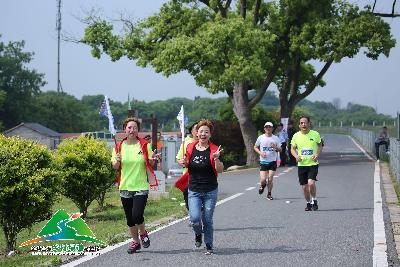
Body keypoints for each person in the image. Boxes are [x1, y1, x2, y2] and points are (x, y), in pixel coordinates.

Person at [111, 117, 159, 254]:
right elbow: (115, 166)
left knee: (137, 215)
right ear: (125, 129)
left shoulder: (144, 145)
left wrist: (152, 159)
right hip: (125, 187)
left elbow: (151, 161)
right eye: (129, 127)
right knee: (130, 219)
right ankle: (135, 242)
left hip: (140, 186)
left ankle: (143, 233)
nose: (132, 130)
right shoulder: (118, 146)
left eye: (135, 128)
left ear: (138, 130)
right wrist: (117, 161)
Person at [177, 119, 223, 255]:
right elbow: (186, 163)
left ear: (210, 134)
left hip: (210, 190)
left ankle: (209, 245)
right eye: (201, 131)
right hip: (194, 190)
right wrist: (183, 162)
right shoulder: (190, 147)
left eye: (206, 132)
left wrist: (216, 159)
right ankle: (198, 234)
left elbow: (220, 170)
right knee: (195, 218)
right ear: (196, 133)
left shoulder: (215, 149)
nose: (203, 134)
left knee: (207, 220)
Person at [290, 116, 323, 211]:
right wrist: (296, 156)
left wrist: (317, 154)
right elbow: (292, 148)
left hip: (313, 163)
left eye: (305, 123)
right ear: (299, 125)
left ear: (309, 123)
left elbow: (320, 145)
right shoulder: (296, 136)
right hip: (302, 165)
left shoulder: (315, 134)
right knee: (304, 187)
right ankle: (308, 203)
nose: (303, 124)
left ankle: (314, 200)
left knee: (311, 183)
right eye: (301, 123)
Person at [254, 122, 282, 200]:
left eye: (270, 127)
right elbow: (255, 147)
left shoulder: (276, 138)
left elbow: (280, 150)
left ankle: (269, 194)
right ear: (264, 128)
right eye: (266, 127)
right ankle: (262, 185)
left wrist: (276, 147)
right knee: (263, 180)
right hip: (263, 161)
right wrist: (260, 153)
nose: (268, 128)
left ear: (272, 129)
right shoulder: (261, 137)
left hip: (272, 161)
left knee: (270, 178)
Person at [175, 121, 199, 210]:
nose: (198, 132)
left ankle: (199, 218)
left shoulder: (206, 143)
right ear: (191, 131)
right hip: (188, 177)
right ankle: (194, 218)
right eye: (196, 129)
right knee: (189, 203)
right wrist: (181, 162)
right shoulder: (186, 143)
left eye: (200, 129)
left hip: (203, 178)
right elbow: (178, 158)